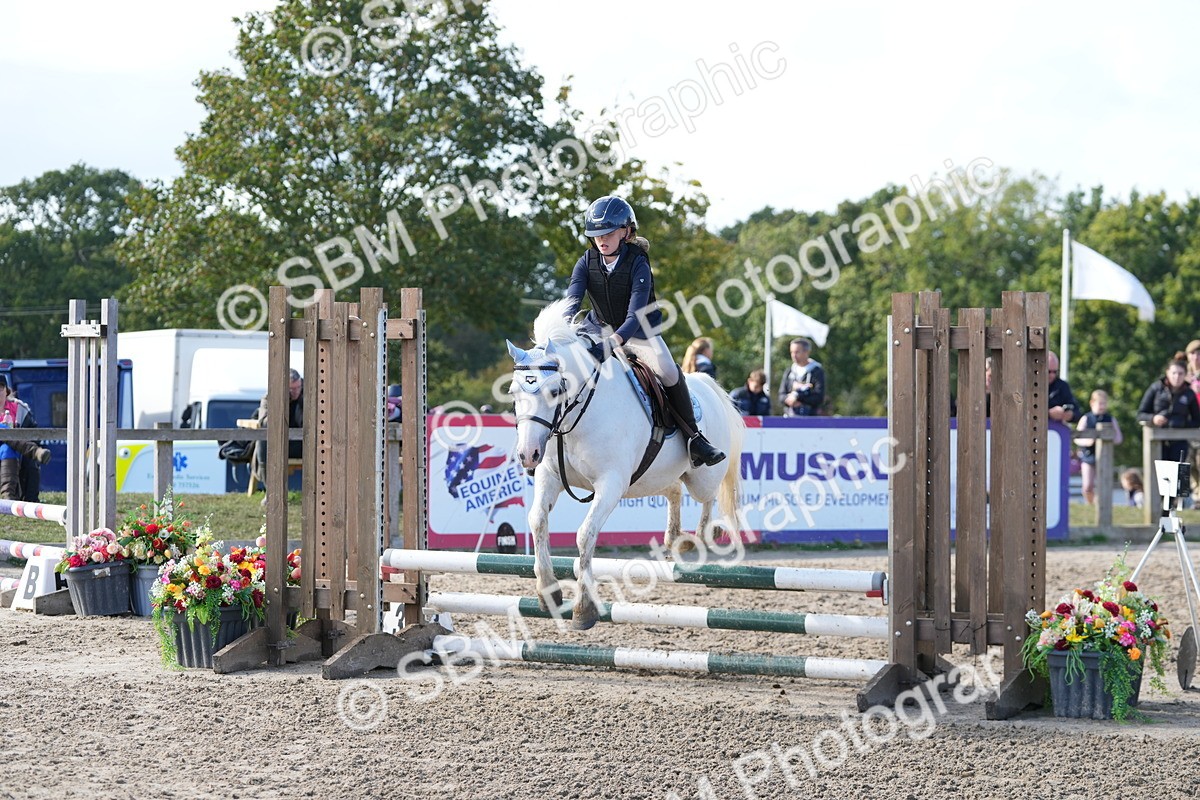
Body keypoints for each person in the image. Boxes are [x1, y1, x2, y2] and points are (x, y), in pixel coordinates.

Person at [563, 195, 724, 467]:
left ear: (626, 232)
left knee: (669, 371)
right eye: (597, 234)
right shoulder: (586, 261)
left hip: (640, 333)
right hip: (597, 329)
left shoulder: (638, 261)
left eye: (609, 233)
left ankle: (695, 438)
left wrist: (613, 342)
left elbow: (635, 315)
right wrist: (562, 330)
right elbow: (571, 302)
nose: (602, 239)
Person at [1136, 357, 1200, 464]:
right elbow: (1140, 414)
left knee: (1177, 475)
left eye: (1180, 373)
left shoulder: (1189, 394)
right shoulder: (1155, 389)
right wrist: (1153, 418)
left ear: (1185, 375)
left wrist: (1182, 423)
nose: (1177, 377)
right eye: (1174, 373)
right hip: (1157, 440)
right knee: (1159, 474)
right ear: (1167, 373)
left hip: (1179, 441)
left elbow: (1197, 420)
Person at [0, 376, 51, 500]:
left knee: (8, 449)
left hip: (15, 455)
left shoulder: (20, 409)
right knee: (4, 430)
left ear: (6, 391)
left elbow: (33, 434)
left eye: (0, 387)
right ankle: (34, 451)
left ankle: (9, 497)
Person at [253, 369, 304, 483]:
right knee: (263, 438)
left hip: (305, 444)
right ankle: (270, 489)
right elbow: (264, 421)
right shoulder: (271, 395)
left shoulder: (310, 392)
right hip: (281, 443)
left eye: (298, 387)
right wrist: (284, 402)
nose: (296, 391)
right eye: (292, 389)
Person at [1076, 389, 1123, 506]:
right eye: (1100, 403)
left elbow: (1118, 438)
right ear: (1092, 403)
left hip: (1104, 456)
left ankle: (1101, 505)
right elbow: (1077, 438)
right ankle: (1090, 504)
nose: (1102, 406)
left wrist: (1107, 439)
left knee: (1104, 484)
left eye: (1104, 403)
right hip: (1088, 456)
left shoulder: (1110, 419)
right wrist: (1088, 441)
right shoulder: (1086, 418)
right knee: (1087, 485)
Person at [777, 338, 825, 417]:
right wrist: (789, 400)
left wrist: (798, 399)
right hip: (789, 417)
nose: (793, 355)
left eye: (797, 352)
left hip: (810, 419)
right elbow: (781, 395)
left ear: (807, 352)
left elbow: (819, 397)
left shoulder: (817, 371)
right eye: (791, 352)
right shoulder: (789, 371)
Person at [1046, 351, 1078, 424]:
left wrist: (1070, 415)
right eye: (1049, 371)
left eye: (1055, 372)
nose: (1052, 375)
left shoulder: (1062, 386)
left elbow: (1077, 412)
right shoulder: (1029, 385)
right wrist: (1048, 413)